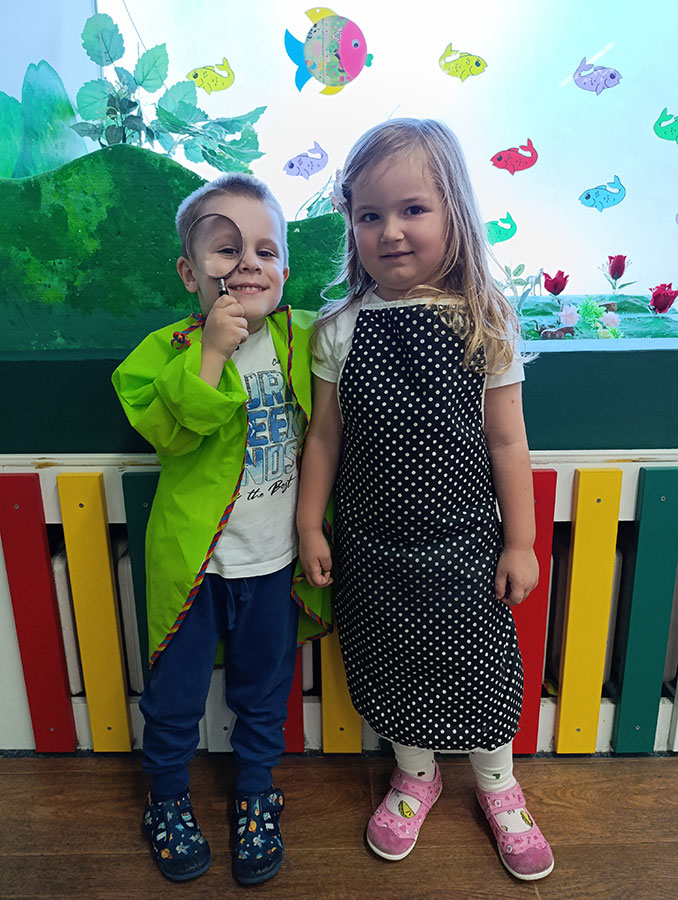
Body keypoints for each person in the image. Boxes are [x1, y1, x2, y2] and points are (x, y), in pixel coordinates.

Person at [297, 118, 554, 882]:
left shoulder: (485, 318)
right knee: (392, 662)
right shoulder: (337, 329)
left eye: (413, 209)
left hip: (467, 544)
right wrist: (310, 525)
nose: (390, 231)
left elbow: (507, 441)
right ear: (351, 223)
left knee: (481, 666)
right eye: (369, 214)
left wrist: (521, 542)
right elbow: (324, 439)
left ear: (454, 212)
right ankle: (415, 775)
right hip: (371, 547)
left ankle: (498, 786)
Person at [112, 173, 330, 885]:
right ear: (190, 271)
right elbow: (173, 433)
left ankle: (256, 791)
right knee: (174, 695)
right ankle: (167, 798)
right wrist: (210, 353)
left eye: (266, 251)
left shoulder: (305, 338)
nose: (248, 265)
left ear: (285, 271)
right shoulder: (163, 353)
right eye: (226, 249)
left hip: (274, 562)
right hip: (195, 567)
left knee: (264, 689)